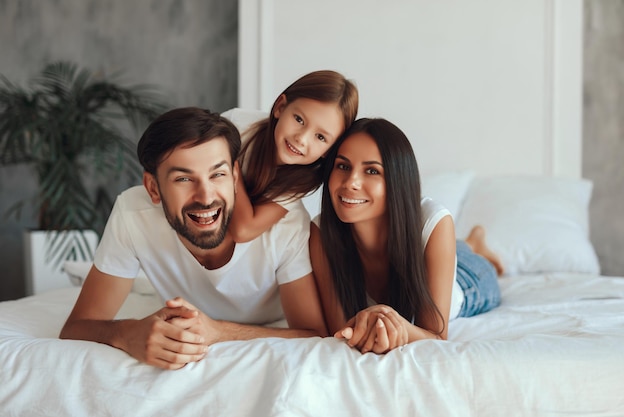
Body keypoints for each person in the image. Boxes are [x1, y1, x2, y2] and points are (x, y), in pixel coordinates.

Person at [60, 107, 327, 370]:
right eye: (184, 179)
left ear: (234, 176)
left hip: (271, 324)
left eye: (217, 174)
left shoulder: (286, 224)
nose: (206, 196)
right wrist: (127, 332)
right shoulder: (133, 213)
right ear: (153, 188)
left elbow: (312, 334)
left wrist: (218, 331)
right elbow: (77, 326)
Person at [309, 118, 502, 355]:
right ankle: (469, 242)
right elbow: (339, 330)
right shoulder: (320, 233)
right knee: (456, 250)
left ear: (396, 180)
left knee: (475, 262)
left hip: (467, 279)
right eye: (343, 166)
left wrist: (389, 320)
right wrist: (377, 321)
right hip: (436, 251)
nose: (351, 182)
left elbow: (437, 337)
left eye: (372, 171)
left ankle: (476, 241)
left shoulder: (435, 221)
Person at [229, 70, 358, 242]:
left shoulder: (299, 182)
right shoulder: (238, 123)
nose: (302, 139)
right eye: (299, 120)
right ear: (280, 107)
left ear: (329, 149)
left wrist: (228, 164)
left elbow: (243, 231)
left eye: (320, 137)